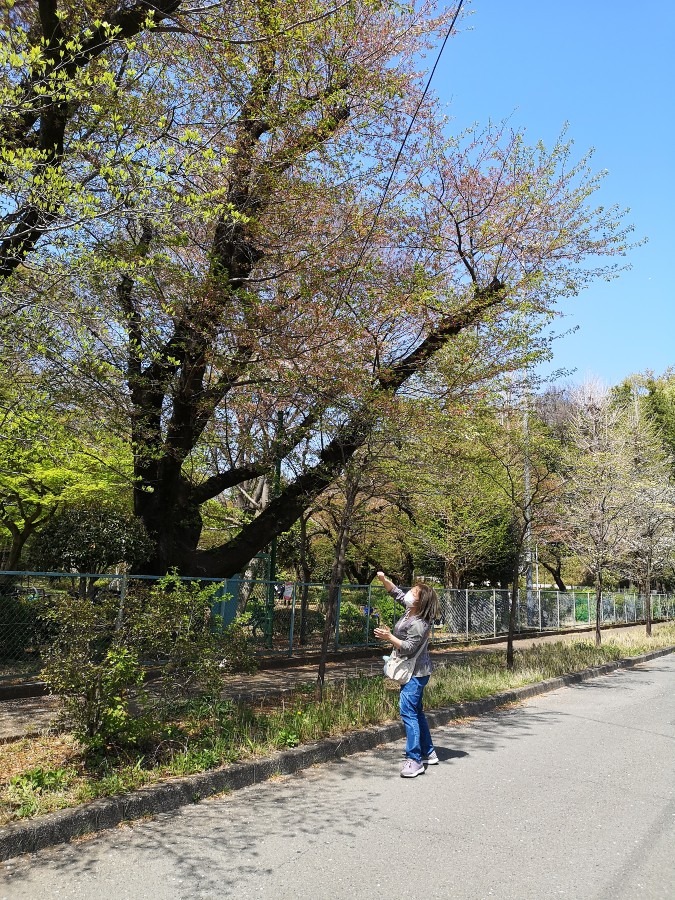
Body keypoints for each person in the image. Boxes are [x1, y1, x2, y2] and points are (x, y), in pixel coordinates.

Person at [374, 571, 440, 778]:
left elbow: (409, 647)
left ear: (421, 601)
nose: (409, 593)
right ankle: (428, 752)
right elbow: (396, 593)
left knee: (408, 713)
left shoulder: (419, 623)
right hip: (414, 671)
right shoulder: (411, 610)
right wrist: (384, 581)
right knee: (416, 712)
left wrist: (389, 637)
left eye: (413, 592)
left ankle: (414, 759)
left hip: (415, 674)